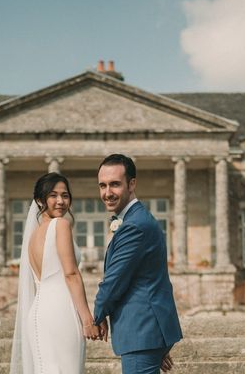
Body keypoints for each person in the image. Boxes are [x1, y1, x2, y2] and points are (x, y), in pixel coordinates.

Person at [93, 154, 183, 374]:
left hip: (141, 328)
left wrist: (96, 315)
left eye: (115, 184)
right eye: (102, 185)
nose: (107, 193)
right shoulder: (137, 219)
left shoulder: (135, 225)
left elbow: (115, 279)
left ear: (132, 184)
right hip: (148, 330)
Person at [10, 172, 100, 374]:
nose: (60, 201)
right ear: (40, 200)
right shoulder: (61, 225)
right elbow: (71, 274)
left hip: (39, 312)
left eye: (65, 195)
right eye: (53, 195)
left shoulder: (33, 236)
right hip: (61, 310)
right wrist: (88, 319)